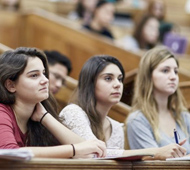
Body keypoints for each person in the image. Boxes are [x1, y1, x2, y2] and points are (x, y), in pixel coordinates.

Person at [59, 54, 187, 160]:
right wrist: (156, 152)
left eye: (120, 79)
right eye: (108, 78)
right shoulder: (73, 112)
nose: (117, 84)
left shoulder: (116, 127)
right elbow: (94, 154)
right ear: (90, 84)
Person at [0, 47, 106, 159]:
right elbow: (10, 153)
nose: (45, 80)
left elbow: (88, 154)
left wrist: (45, 117)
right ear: (11, 85)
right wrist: (74, 149)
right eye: (34, 75)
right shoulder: (2, 112)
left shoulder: (39, 118)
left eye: (44, 73)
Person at [126, 45, 190, 154]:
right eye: (165, 71)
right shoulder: (137, 120)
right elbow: (154, 164)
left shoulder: (183, 116)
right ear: (149, 76)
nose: (173, 76)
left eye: (175, 71)